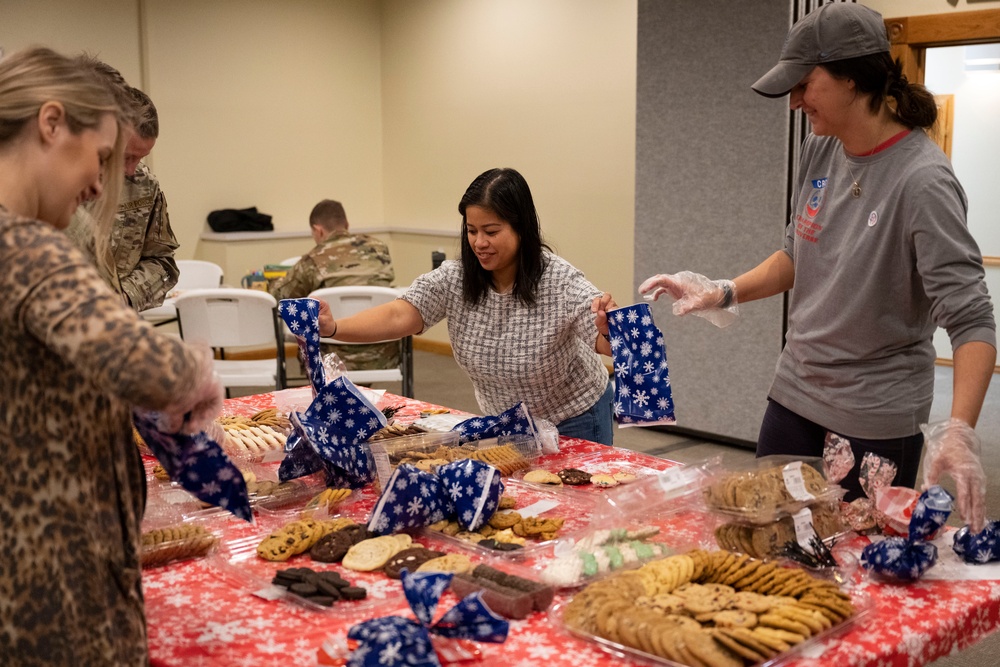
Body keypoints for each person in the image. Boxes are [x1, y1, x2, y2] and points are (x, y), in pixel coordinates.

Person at [639, 3, 995, 530]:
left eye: (805, 84)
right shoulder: (821, 149)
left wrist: (960, 433)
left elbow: (973, 322)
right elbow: (797, 255)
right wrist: (723, 291)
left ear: (853, 79)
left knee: (847, 564)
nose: (795, 103)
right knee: (766, 538)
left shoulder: (923, 183)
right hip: (795, 394)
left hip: (873, 416)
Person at [0, 47, 223, 665]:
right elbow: (149, 368)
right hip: (54, 580)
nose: (101, 184)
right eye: (99, 158)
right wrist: (196, 376)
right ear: (50, 125)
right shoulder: (24, 247)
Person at [317, 168, 618, 445]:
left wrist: (609, 331)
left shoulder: (558, 280)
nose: (479, 242)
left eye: (491, 231)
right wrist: (334, 327)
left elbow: (606, 343)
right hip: (506, 423)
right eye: (472, 231)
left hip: (574, 418)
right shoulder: (456, 278)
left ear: (521, 229)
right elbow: (400, 314)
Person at [66, 62, 179, 312]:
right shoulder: (54, 189)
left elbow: (162, 261)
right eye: (125, 156)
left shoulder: (144, 185)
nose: (130, 169)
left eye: (140, 158)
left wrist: (125, 298)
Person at [269, 198, 398, 370]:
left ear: (318, 230)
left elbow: (278, 298)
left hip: (331, 359)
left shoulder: (312, 260)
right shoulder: (380, 248)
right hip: (384, 355)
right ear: (347, 224)